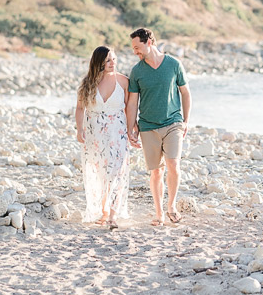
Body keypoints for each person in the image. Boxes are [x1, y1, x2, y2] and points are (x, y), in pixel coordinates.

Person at [125, 28, 192, 227]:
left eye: (137, 47)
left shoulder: (173, 64)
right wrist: (131, 127)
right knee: (156, 172)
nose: (135, 51)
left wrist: (186, 121)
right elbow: (132, 103)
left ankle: (171, 206)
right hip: (148, 127)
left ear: (149, 42)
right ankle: (159, 213)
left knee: (173, 166)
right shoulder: (137, 71)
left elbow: (186, 94)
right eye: (133, 48)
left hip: (173, 123)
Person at [75, 46, 131, 230]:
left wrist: (133, 129)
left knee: (117, 173)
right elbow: (80, 108)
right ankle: (103, 211)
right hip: (94, 135)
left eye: (114, 59)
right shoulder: (88, 83)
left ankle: (113, 215)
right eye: (108, 60)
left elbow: (130, 108)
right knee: (100, 174)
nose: (112, 63)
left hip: (118, 134)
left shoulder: (124, 81)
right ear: (98, 62)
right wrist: (79, 130)